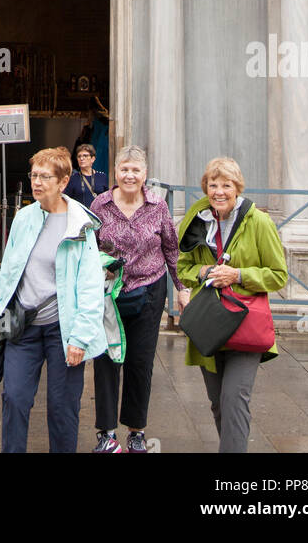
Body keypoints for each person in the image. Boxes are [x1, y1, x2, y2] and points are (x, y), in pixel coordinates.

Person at [0, 146, 106, 454]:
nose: (37, 182)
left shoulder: (80, 225)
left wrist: (80, 337)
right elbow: (9, 271)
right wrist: (1, 315)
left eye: (45, 176)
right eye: (34, 175)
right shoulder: (24, 217)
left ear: (63, 181)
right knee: (14, 398)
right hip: (24, 326)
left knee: (62, 408)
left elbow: (91, 285)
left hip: (63, 330)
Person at [177, 156, 288, 454]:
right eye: (213, 185)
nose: (219, 191)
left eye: (226, 185)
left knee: (234, 399)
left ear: (237, 187)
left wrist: (238, 275)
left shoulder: (259, 222)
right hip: (209, 324)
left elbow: (279, 276)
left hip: (244, 323)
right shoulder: (197, 219)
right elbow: (183, 266)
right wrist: (202, 273)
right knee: (217, 404)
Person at [90, 145, 189, 454]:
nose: (129, 175)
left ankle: (136, 431)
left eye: (135, 170)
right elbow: (87, 247)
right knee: (106, 360)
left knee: (140, 362)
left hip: (148, 291)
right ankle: (106, 433)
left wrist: (182, 287)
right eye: (124, 169)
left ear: (145, 174)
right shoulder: (101, 204)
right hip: (109, 294)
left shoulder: (158, 206)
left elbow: (172, 249)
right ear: (115, 172)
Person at [65, 143, 108, 210]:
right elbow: (67, 200)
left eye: (85, 156)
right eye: (79, 156)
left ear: (92, 159)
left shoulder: (102, 176)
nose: (81, 158)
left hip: (98, 216)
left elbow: (107, 199)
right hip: (80, 216)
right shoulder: (73, 179)